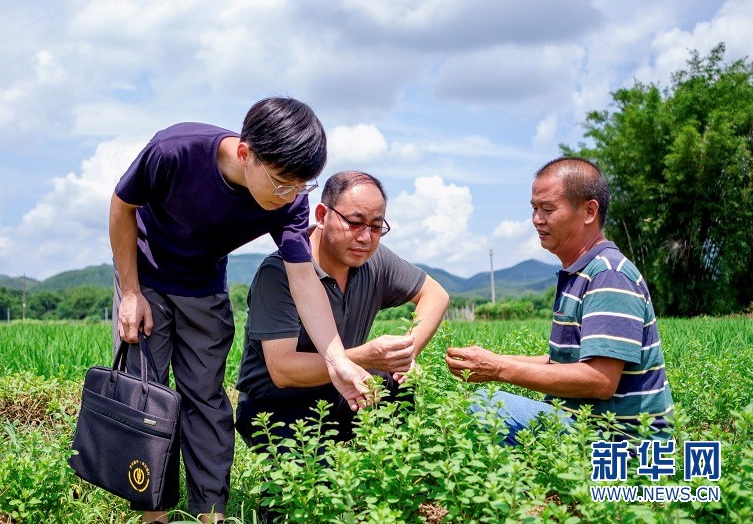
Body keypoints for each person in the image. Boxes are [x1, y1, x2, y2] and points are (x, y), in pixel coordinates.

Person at [109, 98, 373, 524]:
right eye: (283, 182)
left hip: (205, 286)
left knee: (206, 398)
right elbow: (122, 205)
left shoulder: (289, 202)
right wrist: (131, 291)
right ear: (247, 153)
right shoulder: (176, 149)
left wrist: (336, 357)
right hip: (146, 275)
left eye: (301, 186)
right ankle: (151, 512)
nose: (289, 195)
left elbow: (303, 280)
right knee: (148, 394)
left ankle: (210, 513)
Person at [445, 156, 674, 444]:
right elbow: (563, 363)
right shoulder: (580, 272)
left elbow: (600, 380)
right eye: (534, 208)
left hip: (624, 442)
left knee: (486, 405)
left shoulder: (608, 275)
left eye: (548, 209)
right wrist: (492, 362)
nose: (537, 219)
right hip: (588, 428)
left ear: (589, 211)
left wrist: (499, 369)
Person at [236, 171, 449, 448]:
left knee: (399, 385)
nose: (365, 238)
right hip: (276, 408)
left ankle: (389, 466)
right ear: (322, 215)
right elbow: (282, 370)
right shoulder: (279, 273)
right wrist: (365, 357)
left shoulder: (374, 260)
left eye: (376, 227)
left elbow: (435, 294)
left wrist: (405, 355)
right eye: (355, 222)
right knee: (315, 489)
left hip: (339, 394)